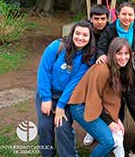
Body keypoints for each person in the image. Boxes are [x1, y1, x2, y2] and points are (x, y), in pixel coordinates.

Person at [35, 21, 95, 157]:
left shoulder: (88, 57)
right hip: (47, 93)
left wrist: (61, 106)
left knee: (62, 127)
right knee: (44, 127)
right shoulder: (57, 46)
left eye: (85, 35)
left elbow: (74, 83)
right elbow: (44, 71)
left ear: (90, 38)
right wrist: (45, 98)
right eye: (77, 33)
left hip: (66, 97)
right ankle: (47, 154)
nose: (80, 37)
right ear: (72, 33)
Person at [68, 37, 134, 157]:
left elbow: (109, 99)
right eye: (119, 53)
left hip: (94, 105)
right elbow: (94, 98)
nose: (123, 57)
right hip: (81, 106)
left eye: (126, 54)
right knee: (108, 141)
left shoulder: (120, 70)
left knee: (114, 138)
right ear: (112, 53)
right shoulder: (103, 69)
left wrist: (116, 119)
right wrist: (109, 122)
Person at [83, 4, 110, 146]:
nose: (100, 21)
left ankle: (103, 127)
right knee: (89, 99)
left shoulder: (110, 30)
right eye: (96, 18)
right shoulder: (84, 29)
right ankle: (91, 129)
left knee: (103, 98)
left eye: (103, 18)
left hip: (102, 69)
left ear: (107, 19)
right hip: (86, 67)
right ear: (91, 19)